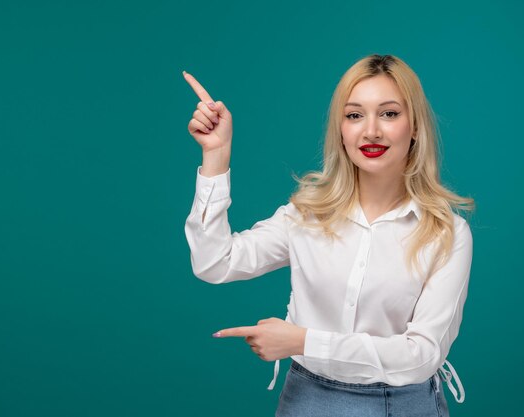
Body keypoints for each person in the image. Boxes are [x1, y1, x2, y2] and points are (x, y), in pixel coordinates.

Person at [183, 54, 473, 417]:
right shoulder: (306, 215)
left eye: (389, 113)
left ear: (414, 127)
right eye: (354, 115)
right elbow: (214, 263)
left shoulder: (446, 232)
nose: (371, 131)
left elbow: (422, 355)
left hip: (404, 406)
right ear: (340, 129)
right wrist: (216, 156)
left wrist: (304, 341)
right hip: (308, 400)